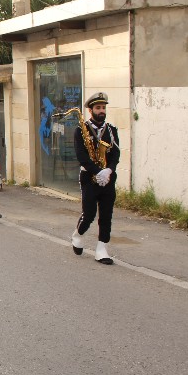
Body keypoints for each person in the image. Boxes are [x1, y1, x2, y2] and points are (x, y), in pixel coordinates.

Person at [71, 92, 121, 265]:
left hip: (107, 177)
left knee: (106, 214)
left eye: (103, 108)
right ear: (91, 110)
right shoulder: (81, 130)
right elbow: (81, 155)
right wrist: (96, 171)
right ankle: (78, 234)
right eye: (98, 108)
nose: (102, 111)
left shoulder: (111, 130)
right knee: (90, 213)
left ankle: (102, 248)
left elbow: (115, 154)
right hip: (89, 177)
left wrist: (109, 170)